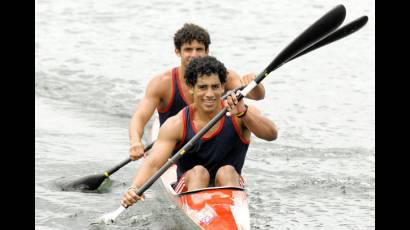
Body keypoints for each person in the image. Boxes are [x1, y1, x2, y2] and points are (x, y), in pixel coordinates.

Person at [122, 56, 277, 207]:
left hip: (230, 184)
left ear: (223, 87)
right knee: (198, 172)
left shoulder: (238, 113)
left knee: (227, 171)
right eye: (203, 87)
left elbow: (271, 135)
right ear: (191, 89)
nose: (209, 94)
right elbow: (154, 164)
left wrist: (244, 113)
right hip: (191, 185)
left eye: (215, 87)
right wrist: (134, 188)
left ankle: (227, 214)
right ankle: (202, 213)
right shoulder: (177, 124)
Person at [129, 23, 266, 160]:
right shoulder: (162, 83)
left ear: (207, 51)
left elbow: (257, 96)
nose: (194, 55)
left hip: (211, 151)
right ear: (177, 51)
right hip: (174, 151)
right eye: (188, 49)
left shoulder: (224, 77)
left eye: (199, 49)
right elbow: (139, 117)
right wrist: (136, 142)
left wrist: (254, 83)